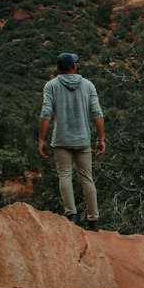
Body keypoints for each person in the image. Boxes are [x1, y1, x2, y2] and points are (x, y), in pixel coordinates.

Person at [38, 52, 105, 230]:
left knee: (65, 176)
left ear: (59, 69)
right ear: (74, 67)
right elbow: (97, 113)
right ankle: (93, 220)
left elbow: (46, 113)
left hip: (61, 139)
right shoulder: (88, 85)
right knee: (87, 179)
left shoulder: (51, 86)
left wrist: (41, 139)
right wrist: (101, 138)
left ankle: (72, 217)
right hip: (83, 139)